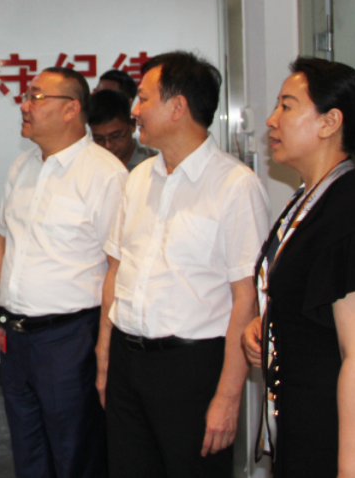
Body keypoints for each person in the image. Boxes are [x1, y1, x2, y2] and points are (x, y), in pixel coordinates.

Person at [241, 57, 355, 478]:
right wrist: (269, 326)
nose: (271, 120)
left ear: (329, 122)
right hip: (305, 429)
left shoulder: (354, 215)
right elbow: (309, 301)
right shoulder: (309, 202)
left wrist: (352, 471)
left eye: (287, 106)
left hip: (343, 444)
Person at [97, 51, 270, 478]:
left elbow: (246, 299)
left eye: (143, 98)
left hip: (192, 369)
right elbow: (116, 271)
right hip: (126, 360)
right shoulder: (138, 178)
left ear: (178, 107)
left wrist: (228, 397)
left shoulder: (236, 186)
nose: (134, 110)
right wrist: (104, 356)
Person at [0, 67, 127, 478]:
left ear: (71, 109)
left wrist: (105, 348)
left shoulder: (105, 174)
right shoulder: (22, 167)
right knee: (28, 455)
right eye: (26, 96)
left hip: (70, 339)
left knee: (75, 455)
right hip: (14, 337)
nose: (24, 106)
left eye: (36, 97)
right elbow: (3, 241)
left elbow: (118, 266)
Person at [88, 89, 157, 172]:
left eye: (115, 136)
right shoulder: (89, 166)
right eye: (99, 139)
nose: (108, 145)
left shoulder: (154, 165)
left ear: (132, 125)